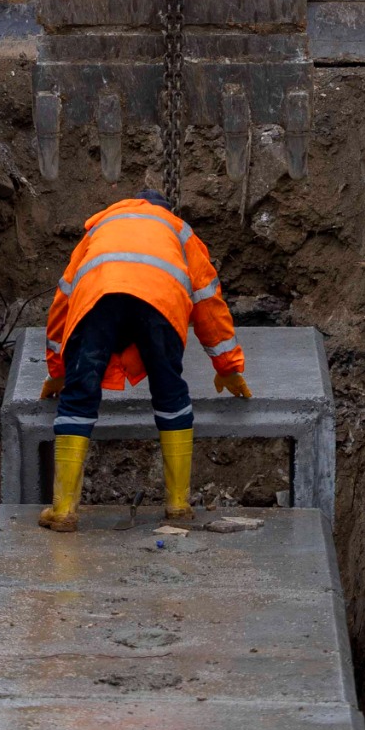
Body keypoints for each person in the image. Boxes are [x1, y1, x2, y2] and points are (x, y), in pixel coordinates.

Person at [37, 191, 250, 531]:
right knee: (169, 391)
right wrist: (228, 367)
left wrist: (59, 370)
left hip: (98, 301)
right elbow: (209, 303)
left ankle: (63, 511)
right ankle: (178, 506)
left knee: (79, 396)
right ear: (165, 210)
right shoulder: (179, 231)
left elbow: (63, 299)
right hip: (160, 303)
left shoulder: (101, 226)